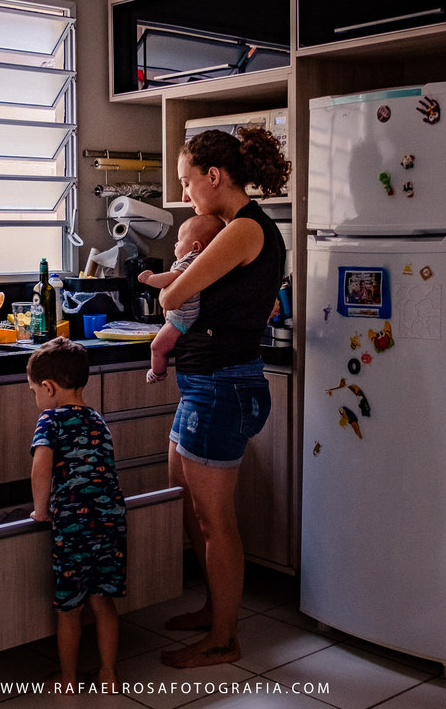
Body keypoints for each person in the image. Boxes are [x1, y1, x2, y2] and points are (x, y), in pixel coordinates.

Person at [155, 126, 290, 668]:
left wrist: (172, 282)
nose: (184, 193)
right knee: (186, 499)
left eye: (187, 181)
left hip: (223, 385)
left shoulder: (244, 230)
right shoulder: (237, 229)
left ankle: (223, 638)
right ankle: (215, 609)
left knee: (215, 520)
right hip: (205, 383)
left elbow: (173, 294)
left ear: (214, 176)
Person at [27, 337, 127, 692]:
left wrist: (41, 510)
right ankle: (108, 675)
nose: (35, 398)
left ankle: (68, 678)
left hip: (73, 525)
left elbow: (41, 469)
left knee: (69, 608)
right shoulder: (98, 419)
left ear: (48, 387)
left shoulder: (49, 420)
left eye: (34, 391)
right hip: (111, 521)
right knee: (103, 601)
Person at [137, 213, 225, 384]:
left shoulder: (190, 260)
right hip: (184, 318)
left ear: (196, 246)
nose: (175, 244)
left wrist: (150, 279)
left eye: (179, 240)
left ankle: (157, 373)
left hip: (181, 320)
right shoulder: (200, 261)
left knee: (157, 347)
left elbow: (170, 279)